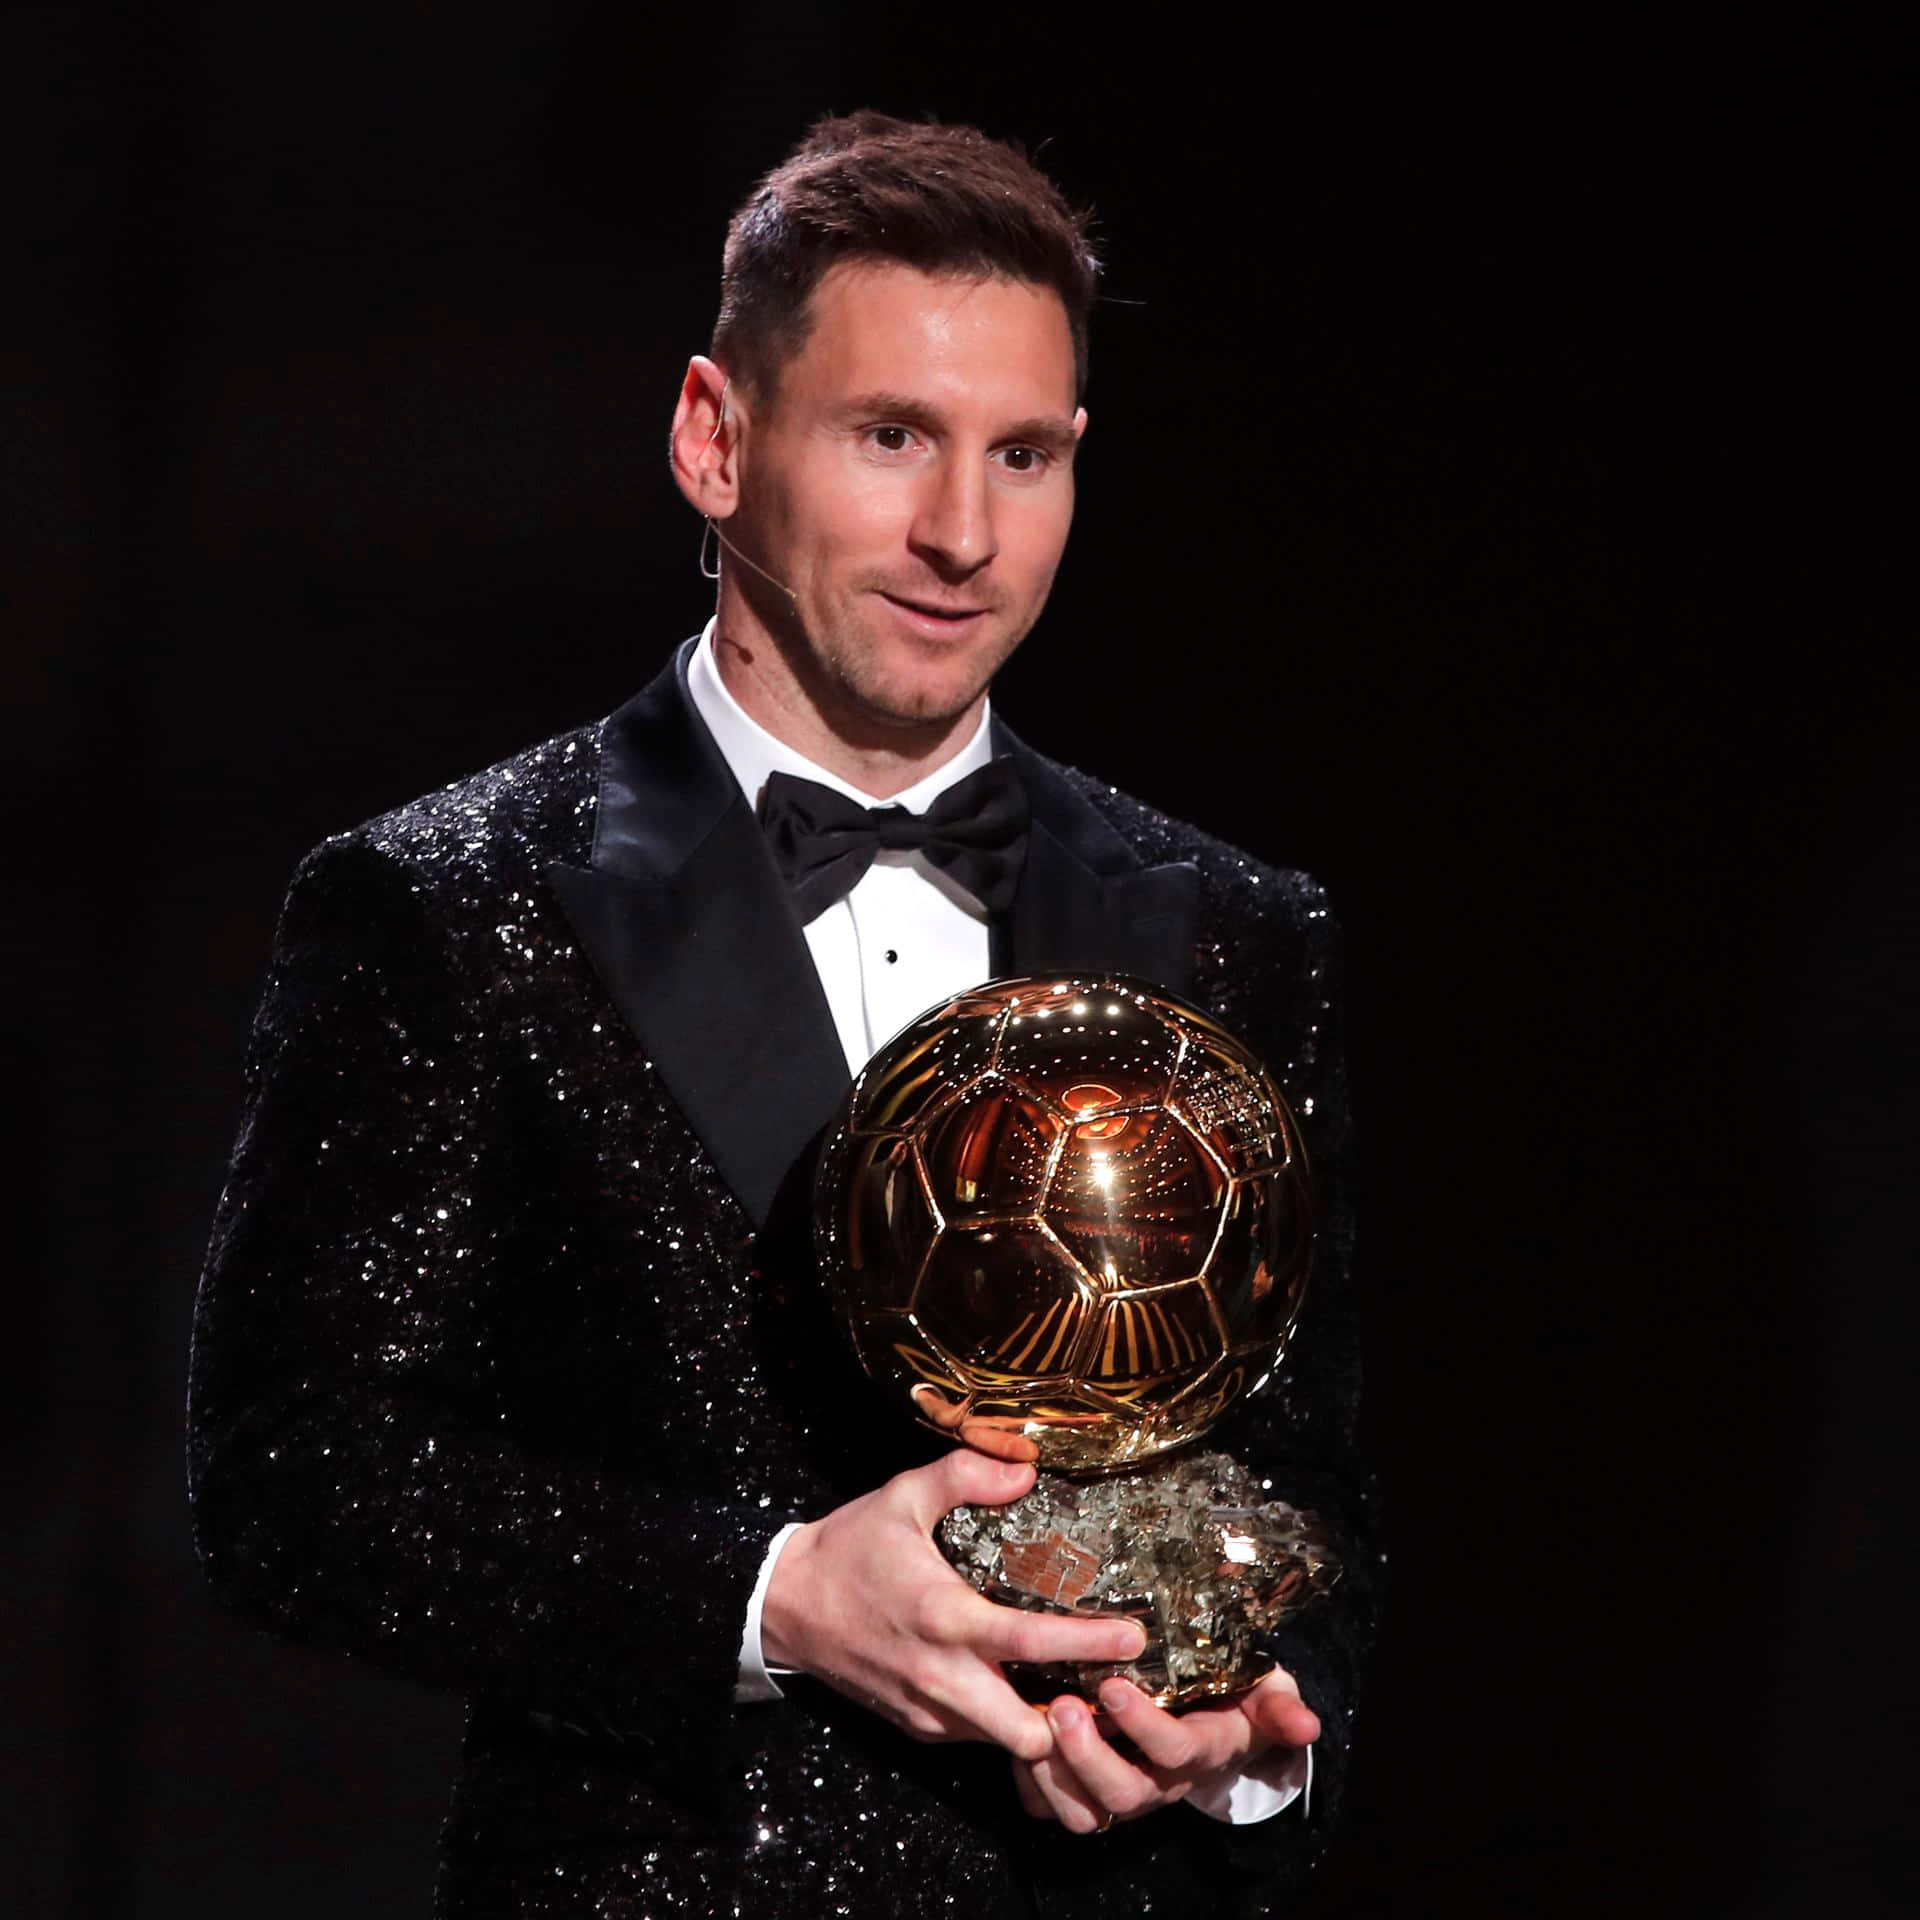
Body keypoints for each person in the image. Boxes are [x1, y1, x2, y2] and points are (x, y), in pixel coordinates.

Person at [188, 111, 1378, 1919]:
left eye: (1027, 454)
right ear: (714, 438)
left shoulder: (1230, 926)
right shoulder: (443, 901)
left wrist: (1248, 1751)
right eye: (890, 437)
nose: (964, 532)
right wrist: (767, 1602)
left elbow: (1317, 1495)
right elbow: (294, 1476)